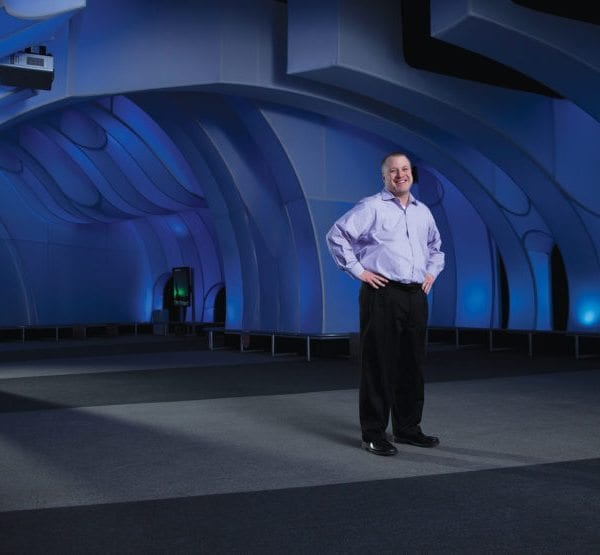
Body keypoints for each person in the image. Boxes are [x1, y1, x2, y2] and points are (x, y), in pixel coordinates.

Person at [326, 152, 445, 456]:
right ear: (384, 177)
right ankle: (373, 433)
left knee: (412, 364)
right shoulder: (372, 207)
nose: (400, 175)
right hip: (383, 293)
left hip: (415, 295)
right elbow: (337, 236)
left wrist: (431, 273)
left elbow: (435, 248)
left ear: (411, 174)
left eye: (405, 169)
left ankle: (407, 428)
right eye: (393, 171)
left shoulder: (423, 212)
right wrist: (359, 271)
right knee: (378, 363)